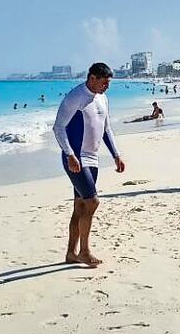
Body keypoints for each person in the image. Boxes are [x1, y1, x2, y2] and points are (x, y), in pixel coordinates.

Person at [53, 62, 126, 267]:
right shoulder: (75, 97)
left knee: (80, 206)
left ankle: (71, 253)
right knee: (92, 201)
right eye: (104, 82)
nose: (106, 87)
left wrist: (116, 155)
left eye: (108, 83)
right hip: (75, 159)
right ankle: (84, 252)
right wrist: (69, 154)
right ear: (92, 78)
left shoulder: (102, 98)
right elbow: (58, 128)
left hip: (92, 159)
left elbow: (106, 129)